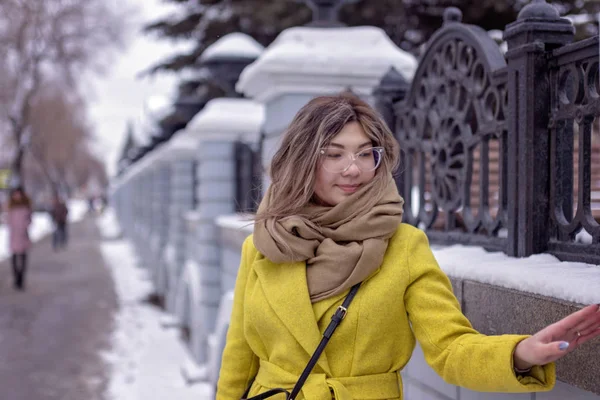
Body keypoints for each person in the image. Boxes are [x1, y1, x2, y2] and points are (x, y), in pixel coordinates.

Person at [216, 93, 600, 400]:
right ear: (300, 162)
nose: (353, 169)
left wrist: (520, 355)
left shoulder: (403, 246)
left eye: (366, 153)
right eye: (334, 154)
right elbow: (239, 360)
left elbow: (450, 348)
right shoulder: (263, 246)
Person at [6, 187, 32, 290]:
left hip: (23, 234)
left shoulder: (26, 207)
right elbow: (7, 219)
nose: (17, 196)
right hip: (13, 235)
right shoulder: (10, 207)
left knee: (23, 256)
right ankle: (16, 277)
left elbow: (30, 219)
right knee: (14, 256)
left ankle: (21, 277)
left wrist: (25, 225)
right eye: (15, 194)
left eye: (18, 194)